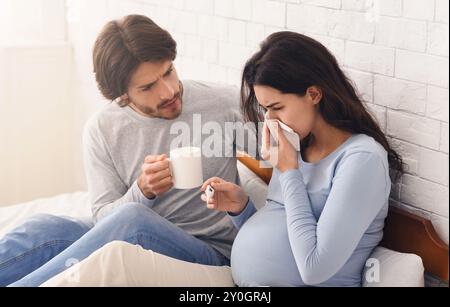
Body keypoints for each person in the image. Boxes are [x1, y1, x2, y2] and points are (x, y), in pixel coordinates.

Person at [42, 31, 404, 287]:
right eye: (264, 110)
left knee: (111, 261)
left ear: (313, 93)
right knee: (46, 229)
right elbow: (283, 223)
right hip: (241, 278)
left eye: (275, 108)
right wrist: (241, 208)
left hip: (235, 274)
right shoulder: (299, 146)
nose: (269, 121)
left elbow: (313, 267)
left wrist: (288, 171)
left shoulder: (360, 159)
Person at [1, 15, 256, 287]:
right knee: (46, 229)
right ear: (122, 95)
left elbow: (282, 154)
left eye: (168, 71)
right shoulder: (102, 130)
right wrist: (142, 190)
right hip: (143, 241)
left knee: (132, 219)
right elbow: (103, 217)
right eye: (148, 87)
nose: (168, 91)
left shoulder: (223, 102)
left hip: (209, 254)